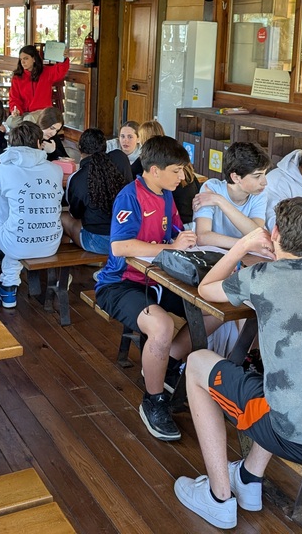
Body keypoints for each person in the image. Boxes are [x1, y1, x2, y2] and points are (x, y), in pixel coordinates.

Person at [175, 199, 302, 529]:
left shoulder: (261, 278)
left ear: (276, 232)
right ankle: (249, 479)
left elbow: (206, 289)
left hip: (300, 440)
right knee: (284, 379)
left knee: (197, 363)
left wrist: (242, 246)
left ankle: (218, 497)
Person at [95, 135, 209, 442]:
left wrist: (188, 239)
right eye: (176, 171)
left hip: (157, 279)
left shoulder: (166, 194)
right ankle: (153, 400)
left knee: (211, 310)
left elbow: (174, 231)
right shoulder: (130, 197)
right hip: (120, 284)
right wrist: (171, 246)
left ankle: (165, 363)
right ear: (155, 170)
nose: (182, 177)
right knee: (161, 325)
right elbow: (120, 247)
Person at [0, 121, 63, 309]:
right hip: (51, 243)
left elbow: (0, 210)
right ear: (38, 143)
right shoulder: (56, 169)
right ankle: (9, 286)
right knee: (20, 225)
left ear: (11, 143)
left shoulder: (4, 169)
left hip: (19, 241)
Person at [61, 128, 131, 254]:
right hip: (127, 235)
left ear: (79, 148)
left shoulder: (77, 178)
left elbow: (75, 214)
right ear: (104, 146)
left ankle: (69, 260)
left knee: (62, 216)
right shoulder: (120, 158)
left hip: (99, 241)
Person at [194, 141, 269, 249]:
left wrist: (221, 201)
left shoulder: (259, 194)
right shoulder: (211, 188)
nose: (265, 182)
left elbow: (257, 235)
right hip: (214, 254)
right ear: (236, 177)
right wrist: (247, 245)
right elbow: (202, 237)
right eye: (257, 176)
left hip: (246, 254)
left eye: (265, 174)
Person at [7, 44, 70, 118]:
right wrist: (16, 110)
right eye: (21, 59)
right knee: (11, 121)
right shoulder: (17, 77)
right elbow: (14, 99)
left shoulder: (46, 72)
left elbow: (60, 70)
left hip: (42, 113)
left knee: (29, 119)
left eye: (26, 58)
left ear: (34, 59)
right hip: (23, 113)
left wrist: (64, 59)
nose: (22, 62)